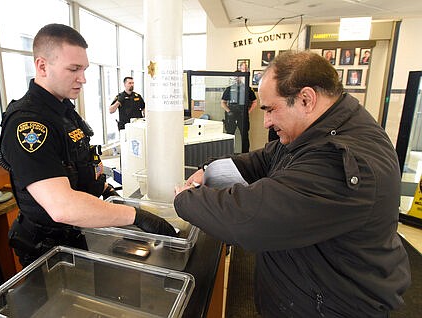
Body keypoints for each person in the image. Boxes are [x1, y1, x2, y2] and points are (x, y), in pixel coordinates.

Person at [174, 51, 410, 317]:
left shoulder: (340, 160)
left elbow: (251, 218)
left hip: (328, 306)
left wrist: (184, 199)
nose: (267, 122)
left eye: (271, 109)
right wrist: (209, 171)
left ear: (306, 99)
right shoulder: (320, 130)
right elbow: (266, 159)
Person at [0, 23, 176, 266]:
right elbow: (62, 206)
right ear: (42, 66)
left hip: (79, 235)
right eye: (73, 69)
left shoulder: (63, 111)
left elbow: (81, 163)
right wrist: (134, 215)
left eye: (84, 69)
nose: (82, 79)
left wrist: (107, 192)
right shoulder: (28, 123)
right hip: (48, 250)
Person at [221, 66, 257, 153]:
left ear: (241, 77)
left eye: (238, 76)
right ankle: (227, 154)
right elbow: (223, 103)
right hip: (231, 115)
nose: (237, 78)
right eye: (235, 76)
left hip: (243, 115)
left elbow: (255, 102)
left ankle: (246, 155)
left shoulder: (247, 89)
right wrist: (229, 111)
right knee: (229, 136)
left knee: (244, 136)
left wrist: (247, 112)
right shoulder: (229, 89)